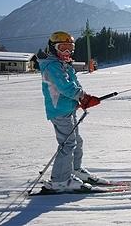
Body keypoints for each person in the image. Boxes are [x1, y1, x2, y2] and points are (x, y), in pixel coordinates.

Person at [38, 31, 101, 191]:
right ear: (53, 48)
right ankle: (60, 180)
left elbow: (74, 85)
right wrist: (84, 97)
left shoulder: (64, 65)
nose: (67, 52)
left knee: (76, 141)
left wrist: (80, 99)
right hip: (59, 111)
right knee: (67, 144)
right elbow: (64, 87)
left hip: (68, 108)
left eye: (69, 48)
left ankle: (74, 170)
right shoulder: (52, 66)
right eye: (62, 48)